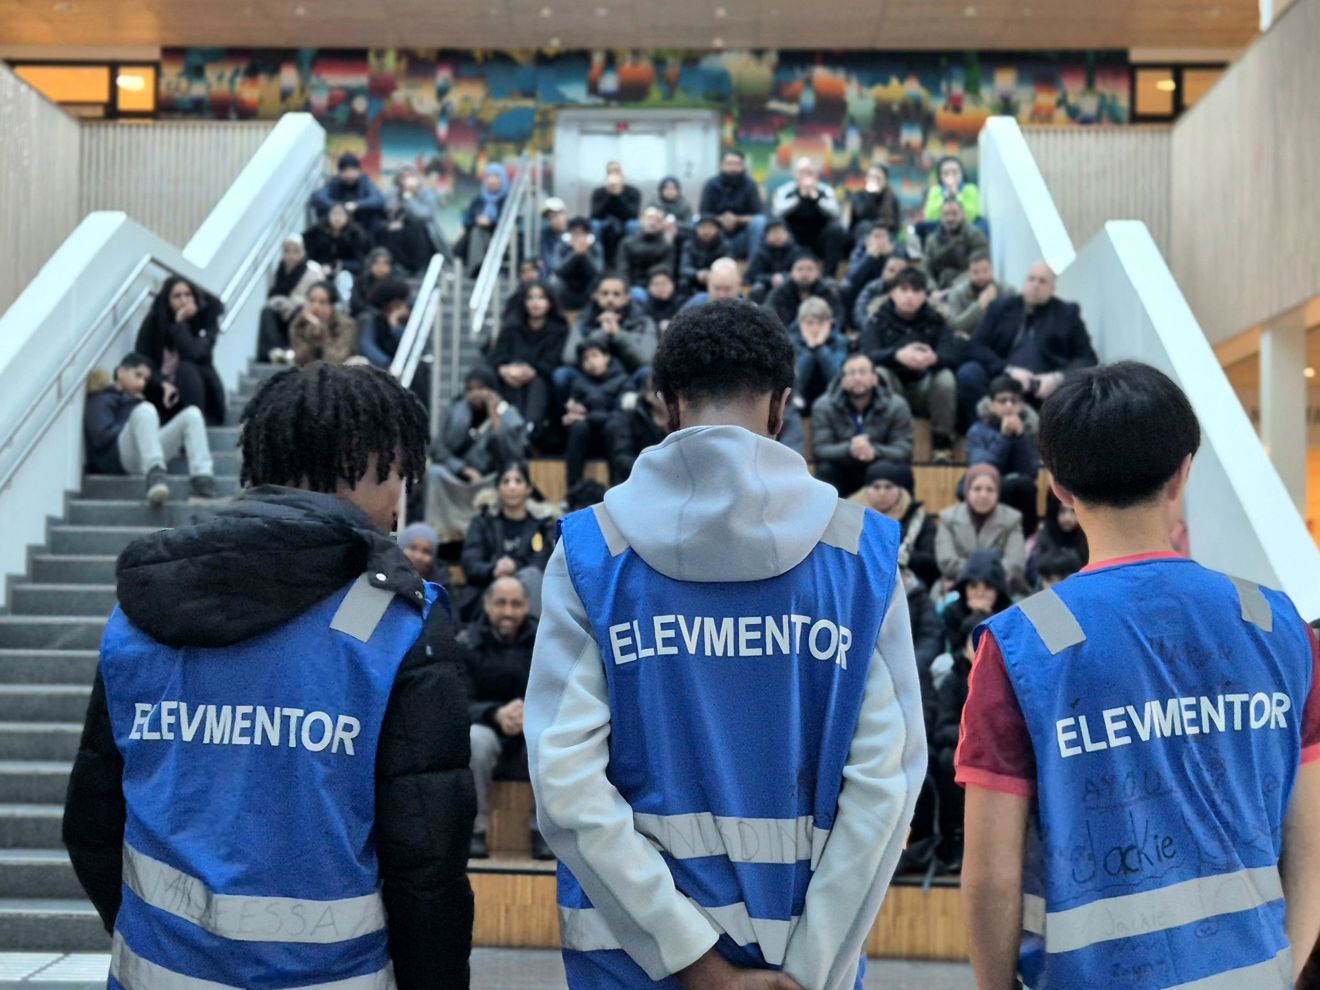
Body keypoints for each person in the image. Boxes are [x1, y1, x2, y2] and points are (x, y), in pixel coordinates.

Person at [525, 300, 925, 990]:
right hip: (805, 969)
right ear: (781, 408)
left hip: (635, 969)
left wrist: (696, 963)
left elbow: (564, 788)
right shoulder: (863, 558)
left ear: (667, 405)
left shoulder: (591, 553)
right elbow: (886, 791)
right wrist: (807, 971)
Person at [63, 362, 475, 990]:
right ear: (364, 463)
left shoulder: (143, 605)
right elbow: (427, 868)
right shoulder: (392, 626)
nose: (399, 500)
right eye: (397, 473)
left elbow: (91, 823)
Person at [958, 361, 1320, 990]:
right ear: (1184, 471)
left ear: (1060, 489)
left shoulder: (1022, 644)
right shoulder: (1278, 623)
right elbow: (1312, 842)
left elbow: (991, 871)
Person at [460, 575, 547, 860]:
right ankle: (475, 831)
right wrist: (495, 714)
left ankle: (543, 831)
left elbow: (559, 695)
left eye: (515, 604)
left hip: (531, 730)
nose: (508, 611)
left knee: (550, 740)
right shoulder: (466, 643)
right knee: (474, 741)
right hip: (486, 727)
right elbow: (459, 702)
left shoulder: (545, 642)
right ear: (486, 605)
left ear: (527, 606)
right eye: (500, 603)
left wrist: (529, 714)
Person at [955, 261, 1098, 415]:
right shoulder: (1000, 308)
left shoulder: (1067, 314)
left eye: (1042, 281)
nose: (1035, 285)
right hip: (1002, 378)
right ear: (1024, 282)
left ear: (1052, 288)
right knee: (969, 373)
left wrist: (1057, 378)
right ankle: (987, 428)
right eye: (1031, 279)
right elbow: (975, 346)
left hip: (1045, 386)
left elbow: (1087, 357)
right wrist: (1008, 370)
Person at [83, 353, 218, 504]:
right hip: (118, 458)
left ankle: (202, 480)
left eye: (145, 380)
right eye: (138, 375)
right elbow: (100, 436)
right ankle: (155, 478)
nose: (141, 383)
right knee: (145, 410)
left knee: (192, 414)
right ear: (121, 372)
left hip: (143, 456)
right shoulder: (103, 397)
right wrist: (132, 428)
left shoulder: (136, 401)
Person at [858, 268, 958, 460]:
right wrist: (897, 355)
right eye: (904, 290)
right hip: (893, 386)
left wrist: (934, 358)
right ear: (893, 293)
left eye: (916, 291)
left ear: (924, 295)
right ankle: (891, 440)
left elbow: (953, 356)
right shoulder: (877, 319)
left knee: (946, 378)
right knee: (879, 373)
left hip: (926, 387)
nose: (909, 296)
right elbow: (867, 355)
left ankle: (942, 445)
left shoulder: (937, 321)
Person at [426, 368, 528, 538]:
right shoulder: (454, 410)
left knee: (506, 481)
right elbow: (438, 449)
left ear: (493, 391)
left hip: (490, 478)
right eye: (470, 389)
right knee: (435, 473)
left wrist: (495, 420)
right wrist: (464, 470)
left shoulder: (509, 414)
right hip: (457, 477)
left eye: (481, 388)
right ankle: (443, 534)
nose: (476, 394)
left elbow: (512, 458)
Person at [930, 610, 989, 873]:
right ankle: (955, 836)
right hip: (964, 752)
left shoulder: (1007, 680)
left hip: (995, 756)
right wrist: (976, 735)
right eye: (973, 643)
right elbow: (941, 727)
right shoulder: (954, 681)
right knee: (944, 758)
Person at [810, 352, 914, 496]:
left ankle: (902, 518)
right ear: (843, 381)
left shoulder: (896, 405)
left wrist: (874, 451)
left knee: (900, 470)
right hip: (843, 467)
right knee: (826, 470)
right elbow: (821, 449)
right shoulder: (823, 406)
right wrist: (850, 449)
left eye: (863, 372)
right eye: (851, 373)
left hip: (880, 465)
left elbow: (904, 449)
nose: (857, 378)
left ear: (875, 378)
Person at [460, 461, 555, 613]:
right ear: (498, 488)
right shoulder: (482, 523)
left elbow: (541, 562)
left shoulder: (541, 526)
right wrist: (493, 570)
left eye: (518, 481)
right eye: (506, 481)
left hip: (528, 592)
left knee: (532, 576)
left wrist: (514, 567)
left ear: (528, 488)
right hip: (487, 589)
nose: (512, 487)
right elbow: (470, 562)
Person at [134, 275, 226, 426]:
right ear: (167, 301)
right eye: (177, 296)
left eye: (187, 295)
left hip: (205, 400)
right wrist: (162, 383)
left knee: (186, 368)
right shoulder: (154, 323)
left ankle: (195, 424)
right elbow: (142, 360)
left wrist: (180, 324)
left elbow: (193, 353)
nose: (184, 300)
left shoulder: (205, 320)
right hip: (165, 394)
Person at [488, 279, 569, 442]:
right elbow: (496, 357)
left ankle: (530, 427)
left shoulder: (559, 329)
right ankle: (515, 430)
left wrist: (532, 371)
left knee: (537, 381)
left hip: (543, 381)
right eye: (531, 298)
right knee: (512, 383)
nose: (535, 303)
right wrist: (504, 370)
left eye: (541, 298)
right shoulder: (511, 327)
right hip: (509, 379)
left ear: (550, 302)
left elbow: (553, 361)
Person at [935, 463, 1027, 594]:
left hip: (1001, 588)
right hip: (956, 585)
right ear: (967, 491)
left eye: (990, 490)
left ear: (998, 492)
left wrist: (985, 580)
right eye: (977, 489)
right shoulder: (948, 518)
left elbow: (1015, 564)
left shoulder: (1012, 519)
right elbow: (947, 562)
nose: (983, 495)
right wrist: (976, 577)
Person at [967, 374, 1041, 534]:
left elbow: (1031, 472)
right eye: (1002, 400)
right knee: (1003, 485)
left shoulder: (1032, 429)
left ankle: (1028, 539)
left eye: (1014, 401)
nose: (1009, 405)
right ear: (991, 405)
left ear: (1022, 405)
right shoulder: (978, 430)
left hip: (1022, 493)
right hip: (991, 489)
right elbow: (983, 470)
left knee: (1025, 484)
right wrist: (1005, 438)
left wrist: (1020, 437)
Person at [851, 461, 939, 592]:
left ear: (899, 490)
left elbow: (932, 564)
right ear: (866, 490)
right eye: (876, 487)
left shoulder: (919, 520)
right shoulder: (851, 517)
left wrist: (907, 557)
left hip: (909, 588)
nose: (882, 492)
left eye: (888, 487)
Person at [561, 275, 658, 381]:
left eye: (616, 294)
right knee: (563, 374)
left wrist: (619, 335)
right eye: (604, 294)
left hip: (630, 378)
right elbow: (569, 359)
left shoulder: (643, 321)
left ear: (627, 298)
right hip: (590, 379)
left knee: (647, 372)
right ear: (596, 296)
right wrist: (601, 334)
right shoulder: (584, 321)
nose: (610, 299)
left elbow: (646, 360)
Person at [563, 338, 630, 487]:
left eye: (594, 355)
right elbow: (572, 412)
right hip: (588, 437)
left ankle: (618, 488)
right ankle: (573, 489)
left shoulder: (623, 380)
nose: (590, 362)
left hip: (615, 436)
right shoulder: (579, 383)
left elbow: (623, 414)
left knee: (614, 426)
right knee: (578, 427)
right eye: (585, 359)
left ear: (607, 357)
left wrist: (587, 415)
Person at [771, 157, 848, 273]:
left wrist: (816, 198)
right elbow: (777, 211)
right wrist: (799, 197)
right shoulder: (785, 190)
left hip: (819, 238)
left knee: (837, 230)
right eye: (802, 172)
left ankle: (829, 276)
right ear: (796, 175)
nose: (806, 176)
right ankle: (784, 274)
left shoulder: (825, 190)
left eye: (809, 172)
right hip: (794, 238)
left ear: (816, 175)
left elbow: (836, 213)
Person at [258, 234, 324, 364]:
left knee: (300, 310)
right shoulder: (278, 270)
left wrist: (296, 303)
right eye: (287, 251)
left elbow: (320, 296)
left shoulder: (313, 270)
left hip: (304, 311)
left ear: (302, 251)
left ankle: (293, 351)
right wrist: (280, 302)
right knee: (267, 311)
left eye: (295, 251)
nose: (291, 255)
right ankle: (274, 351)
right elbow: (272, 295)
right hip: (282, 312)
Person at [938, 548, 1012, 661]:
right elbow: (957, 652)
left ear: (998, 590)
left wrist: (986, 616)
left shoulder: (1009, 614)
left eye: (988, 587)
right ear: (964, 588)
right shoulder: (952, 612)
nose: (980, 593)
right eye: (973, 586)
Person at [380, 164, 448, 274]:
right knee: (387, 232)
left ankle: (421, 267)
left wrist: (409, 198)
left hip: (424, 234)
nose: (407, 180)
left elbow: (423, 215)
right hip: (399, 230)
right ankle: (399, 266)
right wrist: (401, 194)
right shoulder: (393, 192)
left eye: (410, 176)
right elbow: (388, 210)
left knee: (416, 229)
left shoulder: (426, 192)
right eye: (403, 177)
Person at [697, 149, 766, 259]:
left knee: (760, 222)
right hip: (716, 235)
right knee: (694, 224)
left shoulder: (750, 185)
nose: (733, 168)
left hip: (743, 237)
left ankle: (754, 269)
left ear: (743, 166)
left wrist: (737, 219)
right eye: (729, 164)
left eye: (737, 164)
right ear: (721, 165)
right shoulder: (711, 184)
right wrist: (721, 219)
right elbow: (703, 214)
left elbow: (758, 215)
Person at [605, 371, 668, 484]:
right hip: (638, 482)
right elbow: (622, 457)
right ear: (649, 396)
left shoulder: (681, 418)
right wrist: (653, 469)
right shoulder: (630, 418)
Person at [936, 250, 1014, 336]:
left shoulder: (1007, 291)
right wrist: (979, 307)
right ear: (968, 273)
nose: (981, 276)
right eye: (975, 272)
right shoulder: (957, 294)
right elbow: (954, 325)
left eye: (985, 271)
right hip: (970, 342)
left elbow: (1015, 320)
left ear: (992, 270)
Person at [788, 296, 847, 410]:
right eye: (810, 323)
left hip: (832, 397)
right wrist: (811, 349)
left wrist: (819, 347)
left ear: (829, 323)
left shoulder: (839, 341)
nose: (815, 328)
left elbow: (837, 377)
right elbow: (796, 381)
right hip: (801, 398)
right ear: (800, 323)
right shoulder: (791, 341)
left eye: (820, 323)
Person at [765, 251, 844, 330]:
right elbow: (770, 318)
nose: (804, 274)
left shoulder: (827, 293)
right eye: (800, 269)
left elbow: (837, 318)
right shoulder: (779, 294)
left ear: (818, 273)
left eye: (810, 269)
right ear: (791, 272)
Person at [922, 198, 989, 290]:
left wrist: (952, 289)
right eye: (946, 214)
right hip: (937, 290)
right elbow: (926, 269)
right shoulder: (932, 240)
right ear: (941, 217)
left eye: (954, 214)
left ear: (962, 214)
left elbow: (980, 267)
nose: (950, 218)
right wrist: (933, 289)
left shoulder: (975, 235)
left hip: (968, 288)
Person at [1026, 490, 1089, 587]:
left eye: (1073, 511)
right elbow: (1033, 572)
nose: (1067, 518)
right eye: (1062, 511)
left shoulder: (1086, 539)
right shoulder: (1045, 535)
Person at [289, 280, 359, 368]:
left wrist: (321, 330)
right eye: (312, 301)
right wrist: (312, 330)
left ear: (332, 305)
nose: (316, 306)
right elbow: (301, 359)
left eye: (322, 302)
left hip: (339, 372)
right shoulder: (299, 324)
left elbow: (335, 359)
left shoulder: (346, 325)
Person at [456, 163, 510, 276]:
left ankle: (476, 268)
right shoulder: (479, 200)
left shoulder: (508, 200)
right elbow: (467, 221)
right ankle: (477, 266)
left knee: (477, 232)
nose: (492, 180)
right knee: (477, 231)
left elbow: (511, 223)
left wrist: (491, 223)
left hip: (500, 240)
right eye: (489, 177)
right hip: (479, 237)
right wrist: (477, 220)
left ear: (503, 179)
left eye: (496, 177)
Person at [311, 151, 386, 229]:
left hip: (363, 227)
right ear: (340, 172)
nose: (350, 175)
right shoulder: (335, 182)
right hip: (338, 227)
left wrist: (357, 205)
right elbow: (318, 197)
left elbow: (378, 199)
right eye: (346, 171)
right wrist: (338, 207)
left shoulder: (365, 181)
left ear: (358, 171)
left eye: (353, 171)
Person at [840, 224, 896, 323]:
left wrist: (888, 256)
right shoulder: (860, 251)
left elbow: (900, 274)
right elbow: (853, 278)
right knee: (845, 287)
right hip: (862, 287)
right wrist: (869, 257)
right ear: (868, 239)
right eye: (877, 236)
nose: (880, 241)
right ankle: (851, 325)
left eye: (884, 236)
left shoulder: (895, 250)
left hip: (886, 287)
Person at [589, 161, 642, 265]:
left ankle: (630, 261)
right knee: (594, 225)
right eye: (610, 172)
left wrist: (618, 195)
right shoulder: (598, 192)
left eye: (617, 171)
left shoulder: (633, 191)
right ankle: (597, 261)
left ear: (623, 174)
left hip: (625, 224)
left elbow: (633, 215)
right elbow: (595, 215)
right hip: (604, 225)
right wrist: (609, 195)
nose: (614, 175)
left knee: (633, 225)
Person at [302, 202, 371, 278]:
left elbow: (360, 262)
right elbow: (308, 254)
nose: (337, 218)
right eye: (334, 214)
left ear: (347, 217)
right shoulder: (317, 231)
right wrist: (321, 266)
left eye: (341, 214)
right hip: (319, 270)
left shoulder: (355, 234)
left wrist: (337, 266)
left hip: (346, 273)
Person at [551, 217, 604, 312]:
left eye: (582, 233)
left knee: (600, 283)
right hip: (567, 285)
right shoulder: (561, 245)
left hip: (587, 285)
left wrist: (585, 255)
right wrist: (575, 254)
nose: (579, 236)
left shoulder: (596, 246)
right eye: (575, 233)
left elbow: (597, 272)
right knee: (554, 281)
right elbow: (558, 270)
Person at [357, 278, 412, 370]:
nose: (395, 311)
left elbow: (410, 348)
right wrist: (387, 363)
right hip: (385, 368)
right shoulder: (376, 320)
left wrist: (395, 327)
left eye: (398, 305)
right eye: (389, 308)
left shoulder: (413, 320)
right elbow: (366, 345)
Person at [618, 206, 676, 289]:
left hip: (657, 287)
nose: (653, 223)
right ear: (641, 221)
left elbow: (668, 268)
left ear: (663, 225)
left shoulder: (667, 245)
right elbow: (623, 270)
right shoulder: (627, 243)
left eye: (658, 220)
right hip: (633, 285)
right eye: (649, 218)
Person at [852, 250, 910, 331]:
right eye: (891, 270)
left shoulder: (911, 292)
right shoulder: (873, 288)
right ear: (883, 271)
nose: (895, 275)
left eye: (900, 272)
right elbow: (859, 316)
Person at [745, 218, 797, 304]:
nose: (778, 236)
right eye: (774, 232)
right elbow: (750, 276)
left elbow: (798, 272)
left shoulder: (795, 252)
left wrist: (784, 277)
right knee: (757, 288)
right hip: (766, 289)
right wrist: (771, 279)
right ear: (766, 235)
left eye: (780, 232)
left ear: (788, 234)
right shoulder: (760, 253)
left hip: (789, 287)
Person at [920, 155, 981, 228]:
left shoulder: (970, 189)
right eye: (946, 173)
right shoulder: (935, 191)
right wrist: (946, 196)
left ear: (961, 174)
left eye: (955, 172)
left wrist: (957, 195)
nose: (951, 176)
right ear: (941, 176)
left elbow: (971, 217)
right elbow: (930, 217)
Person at [679, 214, 729, 295]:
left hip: (718, 280)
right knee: (683, 283)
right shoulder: (689, 245)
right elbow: (684, 268)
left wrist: (713, 275)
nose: (706, 231)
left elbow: (728, 265)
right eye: (703, 227)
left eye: (710, 227)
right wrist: (697, 274)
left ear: (717, 229)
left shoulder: (724, 245)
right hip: (696, 281)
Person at [847, 163, 900, 240]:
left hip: (884, 239)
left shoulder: (891, 199)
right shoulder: (860, 196)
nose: (874, 180)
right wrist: (871, 195)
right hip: (860, 236)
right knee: (865, 226)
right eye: (871, 177)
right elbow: (859, 216)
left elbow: (894, 227)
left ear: (885, 180)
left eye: (878, 178)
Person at [349, 247, 396, 318]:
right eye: (377, 263)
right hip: (366, 317)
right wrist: (376, 313)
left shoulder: (395, 284)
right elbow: (356, 305)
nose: (380, 267)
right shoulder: (361, 282)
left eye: (385, 263)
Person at [639, 265, 686, 334]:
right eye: (656, 284)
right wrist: (658, 326)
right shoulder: (646, 306)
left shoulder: (683, 302)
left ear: (673, 284)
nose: (660, 288)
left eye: (664, 283)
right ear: (649, 288)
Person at [539, 197, 571, 275]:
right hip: (555, 276)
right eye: (549, 218)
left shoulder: (575, 230)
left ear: (565, 214)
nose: (552, 221)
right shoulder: (546, 234)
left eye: (555, 216)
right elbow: (549, 261)